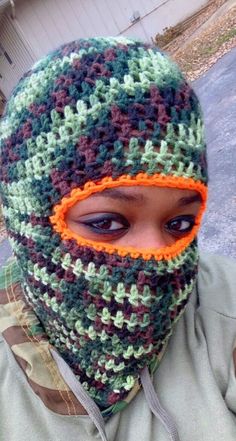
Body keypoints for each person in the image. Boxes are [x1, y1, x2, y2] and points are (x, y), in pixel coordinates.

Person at [0, 37, 235, 441]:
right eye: (108, 222)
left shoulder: (221, 307)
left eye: (178, 223)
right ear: (29, 222)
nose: (157, 257)